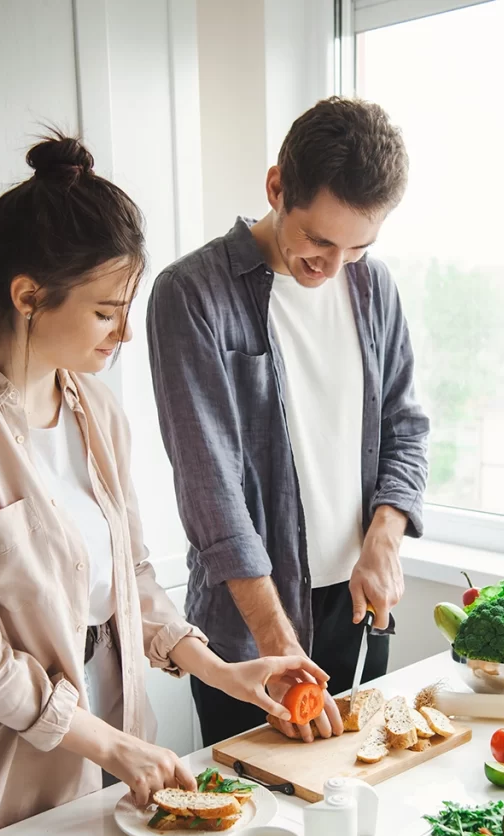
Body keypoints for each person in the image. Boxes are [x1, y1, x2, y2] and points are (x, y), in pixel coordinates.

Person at [0, 134, 326, 836]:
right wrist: (105, 745)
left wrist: (220, 670)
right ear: (27, 296)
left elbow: (131, 576)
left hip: (112, 741)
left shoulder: (95, 408)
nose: (124, 334)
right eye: (104, 312)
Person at [147, 97, 430, 748]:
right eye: (319, 240)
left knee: (352, 804)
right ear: (276, 187)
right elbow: (209, 490)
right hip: (252, 628)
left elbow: (405, 423)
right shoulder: (190, 294)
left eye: (357, 246)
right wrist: (279, 648)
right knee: (256, 824)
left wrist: (383, 539)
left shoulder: (372, 286)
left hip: (356, 608)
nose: (332, 266)